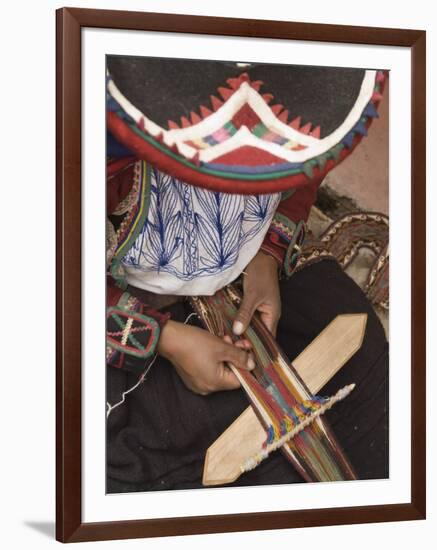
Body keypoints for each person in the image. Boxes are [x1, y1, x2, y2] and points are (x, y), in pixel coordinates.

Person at [105, 58, 389, 493]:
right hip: (121, 298)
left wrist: (267, 257)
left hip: (246, 275)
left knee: (367, 363)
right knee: (133, 457)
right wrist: (165, 339)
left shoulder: (305, 98)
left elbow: (304, 176)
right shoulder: (88, 142)